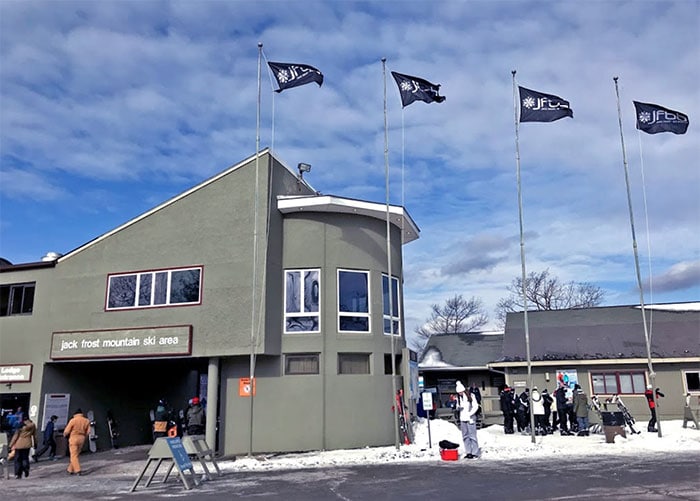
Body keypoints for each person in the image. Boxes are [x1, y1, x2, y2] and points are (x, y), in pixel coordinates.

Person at [455, 381, 480, 459]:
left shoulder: (471, 396)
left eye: (461, 392)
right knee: (465, 436)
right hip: (463, 418)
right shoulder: (458, 398)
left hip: (470, 418)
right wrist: (458, 408)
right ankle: (468, 451)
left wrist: (470, 413)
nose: (460, 393)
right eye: (459, 392)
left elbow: (475, 406)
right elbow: (457, 406)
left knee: (472, 436)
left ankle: (475, 452)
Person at [64, 408, 91, 475]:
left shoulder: (73, 420)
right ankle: (70, 469)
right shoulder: (86, 421)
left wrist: (65, 435)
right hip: (82, 438)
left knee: (73, 455)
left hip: (73, 438)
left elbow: (67, 431)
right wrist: (84, 437)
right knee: (76, 455)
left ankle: (77, 470)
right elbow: (88, 432)